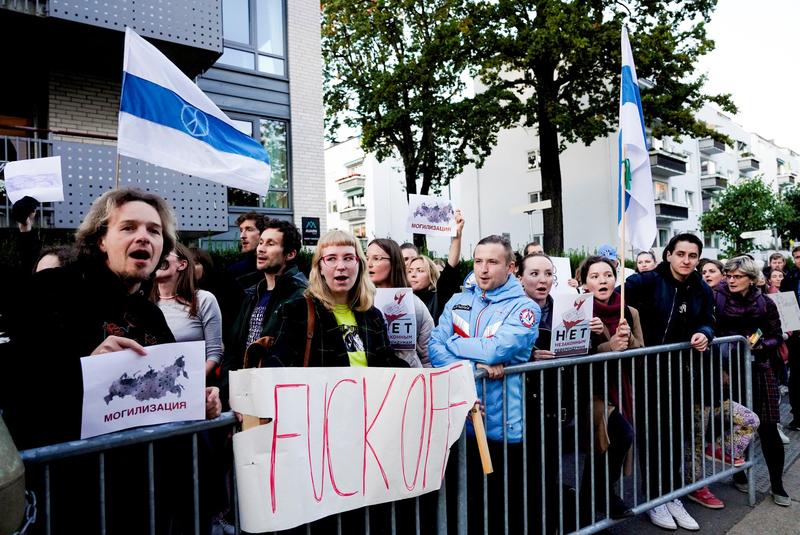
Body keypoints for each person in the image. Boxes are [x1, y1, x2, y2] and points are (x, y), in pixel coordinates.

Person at [5, 188, 221, 533]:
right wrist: (86, 367)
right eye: (128, 227)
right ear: (101, 239)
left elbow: (166, 389)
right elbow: (18, 381)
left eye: (153, 230)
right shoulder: (54, 288)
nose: (144, 237)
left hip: (142, 493)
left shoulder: (149, 313)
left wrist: (199, 401)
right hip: (73, 495)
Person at [430, 235, 539, 534]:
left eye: (493, 262)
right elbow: (433, 347)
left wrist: (456, 344)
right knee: (463, 508)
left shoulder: (525, 308)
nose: (483, 269)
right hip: (459, 423)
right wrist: (470, 368)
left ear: (511, 266)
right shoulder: (457, 300)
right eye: (478, 261)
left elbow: (496, 351)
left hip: (503, 428)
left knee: (502, 510)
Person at [624, 233, 714, 531]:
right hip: (646, 370)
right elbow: (615, 298)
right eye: (681, 254)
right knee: (652, 436)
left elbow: (709, 320)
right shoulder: (646, 281)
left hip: (680, 370)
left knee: (675, 434)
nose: (686, 260)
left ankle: (673, 495)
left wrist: (705, 332)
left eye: (692, 255)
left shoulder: (701, 287)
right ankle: (655, 500)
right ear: (669, 255)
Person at [264, 230, 408, 369]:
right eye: (331, 259)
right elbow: (278, 370)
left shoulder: (373, 316)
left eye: (348, 258)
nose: (341, 266)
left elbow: (388, 364)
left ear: (359, 264)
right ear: (319, 267)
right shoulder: (296, 312)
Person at [715, 256, 790, 506]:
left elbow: (776, 336)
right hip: (729, 370)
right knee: (737, 424)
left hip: (760, 368)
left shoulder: (765, 303)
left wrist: (756, 345)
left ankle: (777, 484)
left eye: (738, 276)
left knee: (768, 427)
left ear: (751, 279)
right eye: (729, 275)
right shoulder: (717, 298)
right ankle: (738, 473)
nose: (732, 280)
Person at [581, 256, 640, 523]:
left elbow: (642, 349)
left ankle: (593, 497)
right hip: (591, 390)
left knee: (606, 445)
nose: (602, 280)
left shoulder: (629, 311)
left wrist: (626, 341)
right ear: (584, 282)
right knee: (618, 435)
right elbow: (578, 353)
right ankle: (602, 493)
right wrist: (607, 340)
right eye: (594, 276)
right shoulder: (579, 310)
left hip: (621, 386)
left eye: (607, 274)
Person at [223, 219, 307, 376]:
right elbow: (233, 347)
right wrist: (226, 386)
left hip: (276, 388)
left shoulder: (300, 296)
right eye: (261, 242)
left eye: (270, 244)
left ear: (290, 254)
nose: (261, 249)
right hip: (242, 386)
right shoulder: (252, 294)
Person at [152, 243, 223, 377]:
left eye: (164, 252)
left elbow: (214, 353)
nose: (158, 256)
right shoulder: (143, 303)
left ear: (182, 264)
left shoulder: (203, 300)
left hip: (190, 387)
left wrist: (193, 382)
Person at [366, 239, 433, 367]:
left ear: (394, 262)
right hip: (371, 380)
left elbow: (428, 354)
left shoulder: (414, 304)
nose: (369, 264)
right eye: (366, 257)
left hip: (409, 379)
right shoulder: (359, 302)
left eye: (377, 258)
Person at [407, 209, 465, 324]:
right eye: (410, 271)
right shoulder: (401, 300)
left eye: (420, 270)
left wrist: (457, 236)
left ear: (431, 275)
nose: (413, 274)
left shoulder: (439, 297)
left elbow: (451, 268)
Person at [227, 212, 268, 289]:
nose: (242, 236)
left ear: (264, 233)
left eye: (249, 229)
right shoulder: (234, 271)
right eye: (241, 230)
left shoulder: (275, 267)